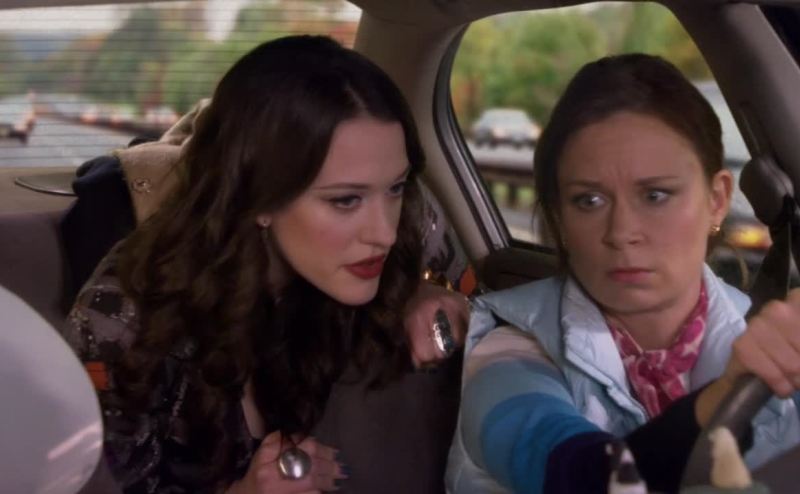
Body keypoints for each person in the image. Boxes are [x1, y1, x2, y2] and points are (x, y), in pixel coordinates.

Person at [63, 35, 468, 494]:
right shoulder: (121, 316)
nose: (385, 233)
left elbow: (489, 308)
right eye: (345, 200)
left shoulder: (407, 213)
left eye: (394, 187)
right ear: (258, 197)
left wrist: (437, 294)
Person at [447, 53, 800, 494]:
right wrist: (726, 393)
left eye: (655, 195)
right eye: (589, 201)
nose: (621, 232)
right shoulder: (509, 349)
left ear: (716, 200)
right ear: (559, 217)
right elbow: (579, 476)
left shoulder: (770, 334)